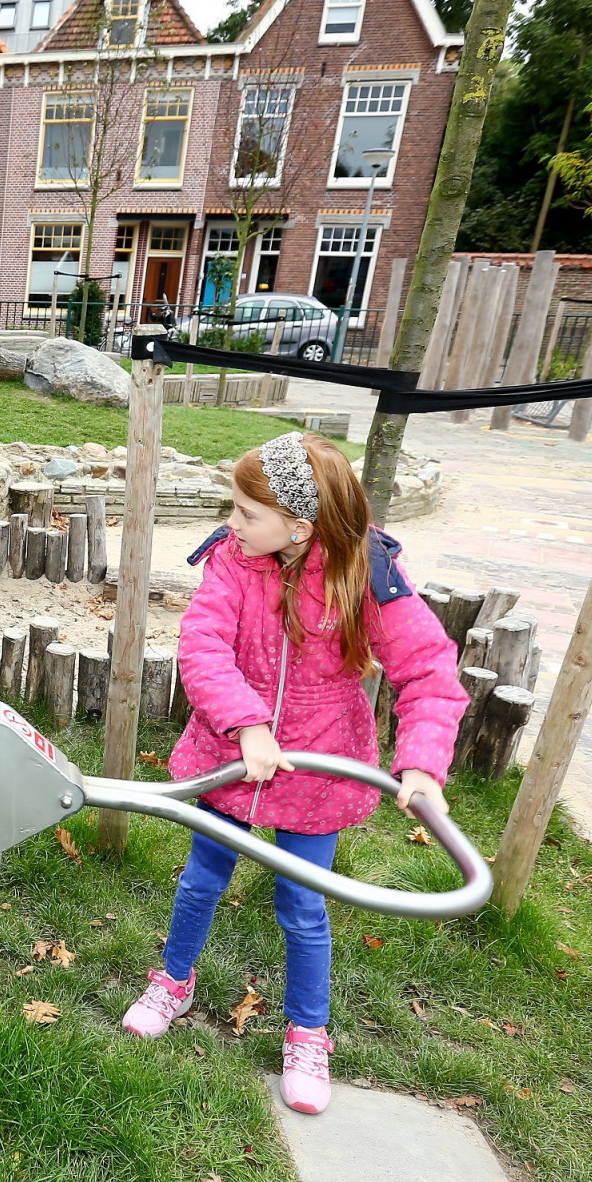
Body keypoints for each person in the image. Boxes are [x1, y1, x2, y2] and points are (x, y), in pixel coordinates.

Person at [119, 432, 468, 1115]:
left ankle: (308, 1029)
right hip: (232, 759)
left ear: (300, 527)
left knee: (302, 906)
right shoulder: (231, 562)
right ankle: (175, 979)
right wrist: (246, 722)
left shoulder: (366, 576)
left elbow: (428, 671)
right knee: (200, 880)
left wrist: (422, 766)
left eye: (247, 513)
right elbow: (203, 643)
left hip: (318, 768)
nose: (231, 522)